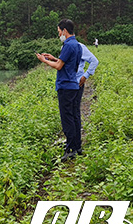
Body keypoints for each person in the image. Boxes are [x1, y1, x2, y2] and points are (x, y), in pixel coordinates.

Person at [37, 19, 82, 162]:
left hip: (66, 86)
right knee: (74, 116)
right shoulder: (77, 45)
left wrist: (44, 61)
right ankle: (77, 146)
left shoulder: (67, 45)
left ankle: (70, 149)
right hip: (74, 85)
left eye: (59, 32)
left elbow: (59, 67)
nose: (59, 35)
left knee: (67, 118)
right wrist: (53, 58)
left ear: (64, 30)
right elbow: (66, 62)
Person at [73, 42, 99, 156]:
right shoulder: (64, 47)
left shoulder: (80, 47)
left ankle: (77, 145)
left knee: (75, 112)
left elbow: (94, 61)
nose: (59, 35)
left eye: (59, 31)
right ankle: (73, 143)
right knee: (71, 113)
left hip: (77, 83)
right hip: (69, 84)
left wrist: (85, 75)